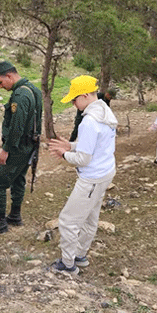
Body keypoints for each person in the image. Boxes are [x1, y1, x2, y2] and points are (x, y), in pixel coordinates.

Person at [48, 75, 117, 275]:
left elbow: (84, 159)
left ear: (85, 95)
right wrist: (70, 145)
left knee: (68, 221)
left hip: (91, 179)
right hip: (105, 173)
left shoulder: (89, 121)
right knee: (90, 218)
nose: (73, 103)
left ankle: (68, 265)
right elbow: (94, 145)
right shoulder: (105, 112)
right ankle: (80, 255)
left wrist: (64, 154)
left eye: (74, 99)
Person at [0, 60, 42, 236]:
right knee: (18, 179)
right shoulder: (33, 89)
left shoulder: (20, 95)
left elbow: (17, 126)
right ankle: (15, 215)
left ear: (9, 75)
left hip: (17, 147)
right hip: (29, 145)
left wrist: (6, 150)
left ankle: (0, 222)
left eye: (0, 82)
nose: (0, 86)